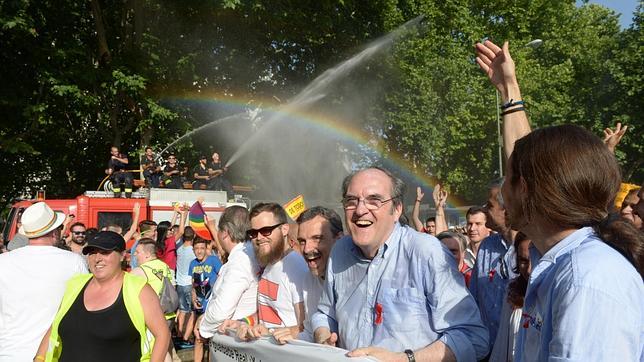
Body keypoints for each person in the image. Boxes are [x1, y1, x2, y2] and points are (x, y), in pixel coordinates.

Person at [476, 39, 643, 360]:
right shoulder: (560, 256)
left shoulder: (587, 279)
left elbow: (526, 164)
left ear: (525, 189)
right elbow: (526, 161)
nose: (501, 191)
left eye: (506, 179)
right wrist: (509, 92)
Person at [312, 167, 489, 361]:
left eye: (374, 201)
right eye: (351, 201)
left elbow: (473, 338)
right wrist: (324, 339)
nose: (360, 210)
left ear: (396, 210)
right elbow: (325, 313)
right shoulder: (340, 252)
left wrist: (406, 359)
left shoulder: (427, 252)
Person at [35, 231, 170, 362]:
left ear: (122, 255)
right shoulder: (75, 285)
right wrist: (39, 358)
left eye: (105, 252)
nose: (97, 258)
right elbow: (56, 325)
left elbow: (162, 334)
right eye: (92, 252)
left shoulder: (139, 289)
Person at [0, 202, 88, 361]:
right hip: (55, 353)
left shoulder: (3, 262)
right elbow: (84, 309)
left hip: (9, 352)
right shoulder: (74, 262)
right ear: (54, 232)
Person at [219, 203, 309, 342]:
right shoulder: (270, 262)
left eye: (266, 230)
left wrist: (271, 332)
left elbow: (306, 328)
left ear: (285, 229)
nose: (259, 237)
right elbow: (268, 313)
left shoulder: (296, 268)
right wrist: (243, 322)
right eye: (254, 233)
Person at [271, 206, 344, 343]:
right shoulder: (309, 279)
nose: (307, 249)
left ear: (339, 238)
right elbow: (310, 332)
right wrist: (273, 335)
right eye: (302, 241)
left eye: (317, 238)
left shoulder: (357, 279)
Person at [198, 206, 259, 338]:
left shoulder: (240, 261)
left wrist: (203, 326)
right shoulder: (248, 253)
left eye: (219, 230)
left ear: (225, 232)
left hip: (235, 342)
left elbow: (221, 310)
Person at [469, 180, 516, 352]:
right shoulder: (486, 246)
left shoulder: (529, 249)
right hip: (486, 350)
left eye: (489, 205)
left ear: (507, 208)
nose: (484, 209)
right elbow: (472, 299)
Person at [131, 238, 176, 362]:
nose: (135, 254)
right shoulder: (165, 266)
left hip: (154, 316)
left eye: (138, 252)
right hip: (169, 314)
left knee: (157, 350)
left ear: (147, 254)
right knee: (165, 348)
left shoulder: (140, 271)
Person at [490, 233, 531, 362]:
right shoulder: (513, 291)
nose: (529, 270)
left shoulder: (553, 293)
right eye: (523, 261)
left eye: (534, 259)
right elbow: (502, 342)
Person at [189, 238, 223, 362]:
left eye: (202, 248)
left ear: (206, 249)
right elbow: (193, 285)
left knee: (211, 342)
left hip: (212, 307)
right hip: (200, 307)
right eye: (197, 249)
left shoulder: (213, 260)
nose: (199, 251)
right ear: (193, 250)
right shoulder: (192, 263)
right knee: (198, 338)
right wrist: (193, 300)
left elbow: (223, 278)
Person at [176, 226, 197, 347]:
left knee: (183, 311)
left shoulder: (179, 248)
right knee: (193, 312)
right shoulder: (194, 251)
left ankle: (179, 335)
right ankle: (186, 338)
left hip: (180, 283)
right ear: (193, 236)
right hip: (189, 283)